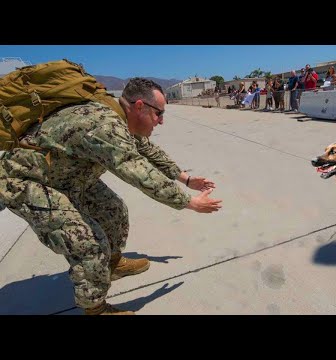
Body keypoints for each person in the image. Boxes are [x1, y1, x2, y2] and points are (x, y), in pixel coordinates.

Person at [0, 77, 223, 315]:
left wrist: (185, 179)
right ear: (140, 106)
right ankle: (95, 308)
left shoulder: (118, 116)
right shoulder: (103, 124)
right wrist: (189, 202)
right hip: (27, 182)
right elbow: (136, 169)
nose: (161, 121)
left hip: (67, 177)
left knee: (113, 211)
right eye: (159, 113)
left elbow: (144, 149)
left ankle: (112, 265)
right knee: (88, 244)